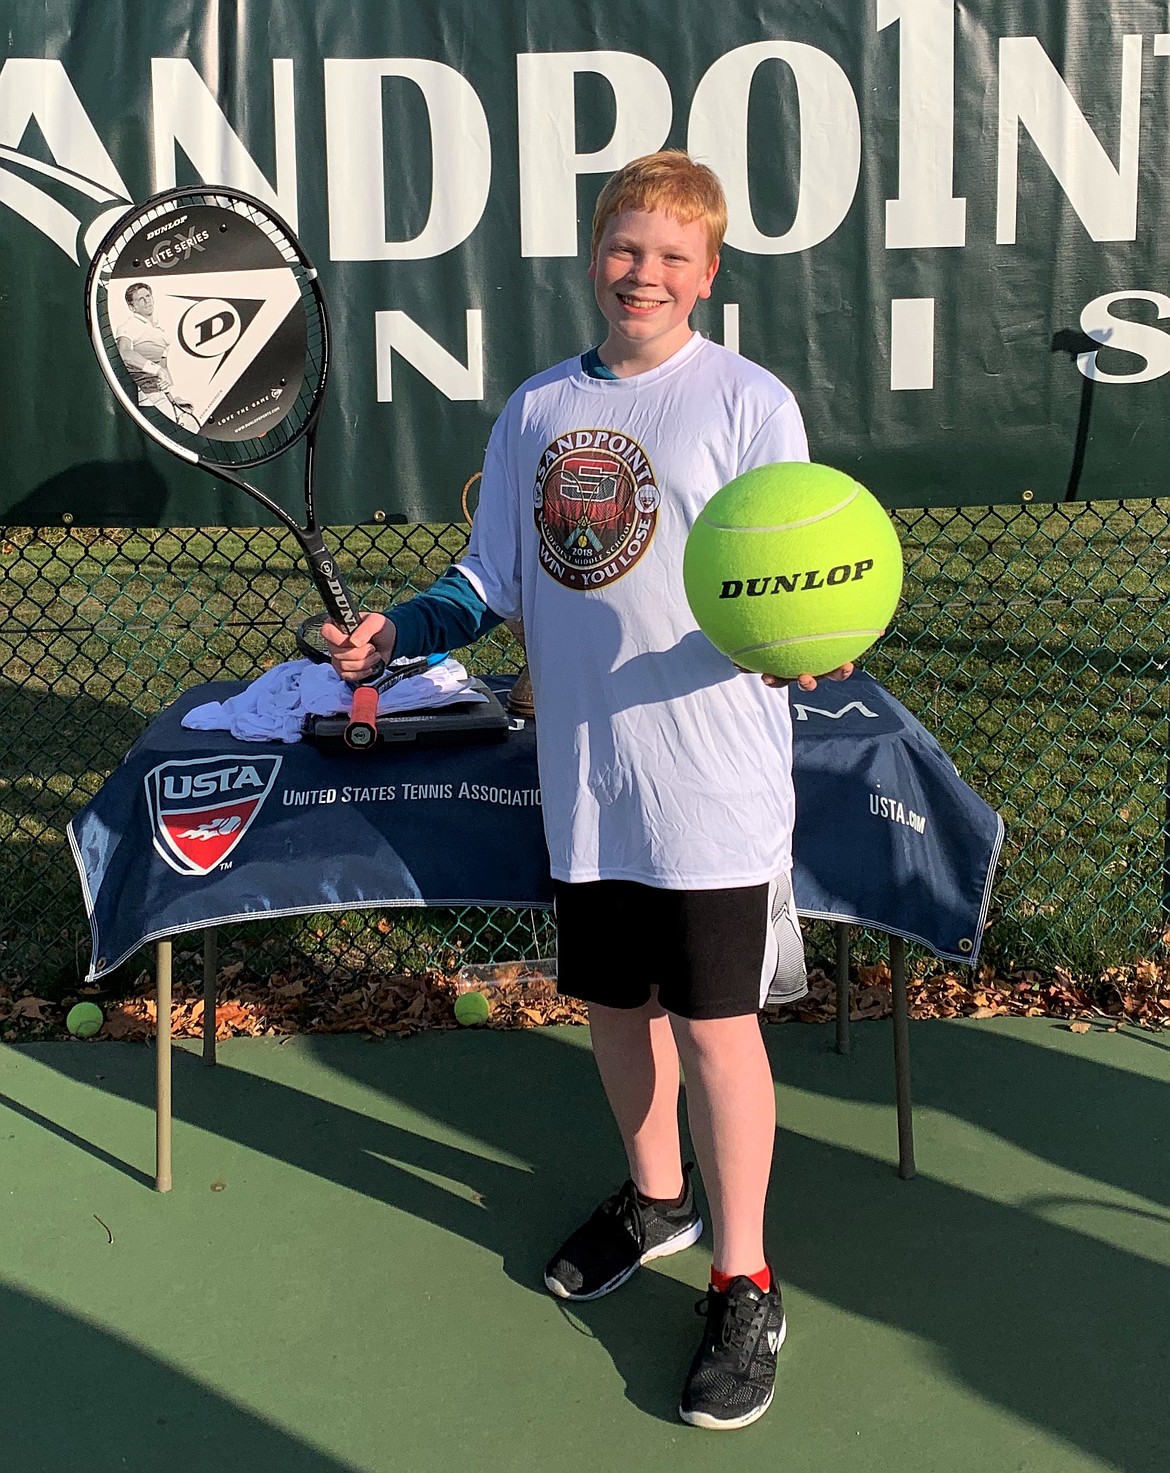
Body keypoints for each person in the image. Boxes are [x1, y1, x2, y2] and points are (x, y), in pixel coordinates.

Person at [324, 151, 853, 1432]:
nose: (644, 274)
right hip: (593, 784)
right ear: (593, 257)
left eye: (673, 256)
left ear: (709, 273)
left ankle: (746, 1277)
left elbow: (809, 566)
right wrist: (402, 628)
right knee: (616, 1010)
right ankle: (658, 1199)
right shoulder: (536, 410)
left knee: (719, 1030)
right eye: (626, 249)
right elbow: (487, 578)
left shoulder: (747, 400)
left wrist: (823, 631)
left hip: (716, 784)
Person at [115, 283, 194, 424]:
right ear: (132, 307)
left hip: (160, 396)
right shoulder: (128, 326)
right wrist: (156, 370)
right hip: (142, 397)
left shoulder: (161, 332)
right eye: (141, 299)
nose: (147, 301)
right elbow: (125, 353)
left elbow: (164, 368)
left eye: (148, 296)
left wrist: (173, 397)